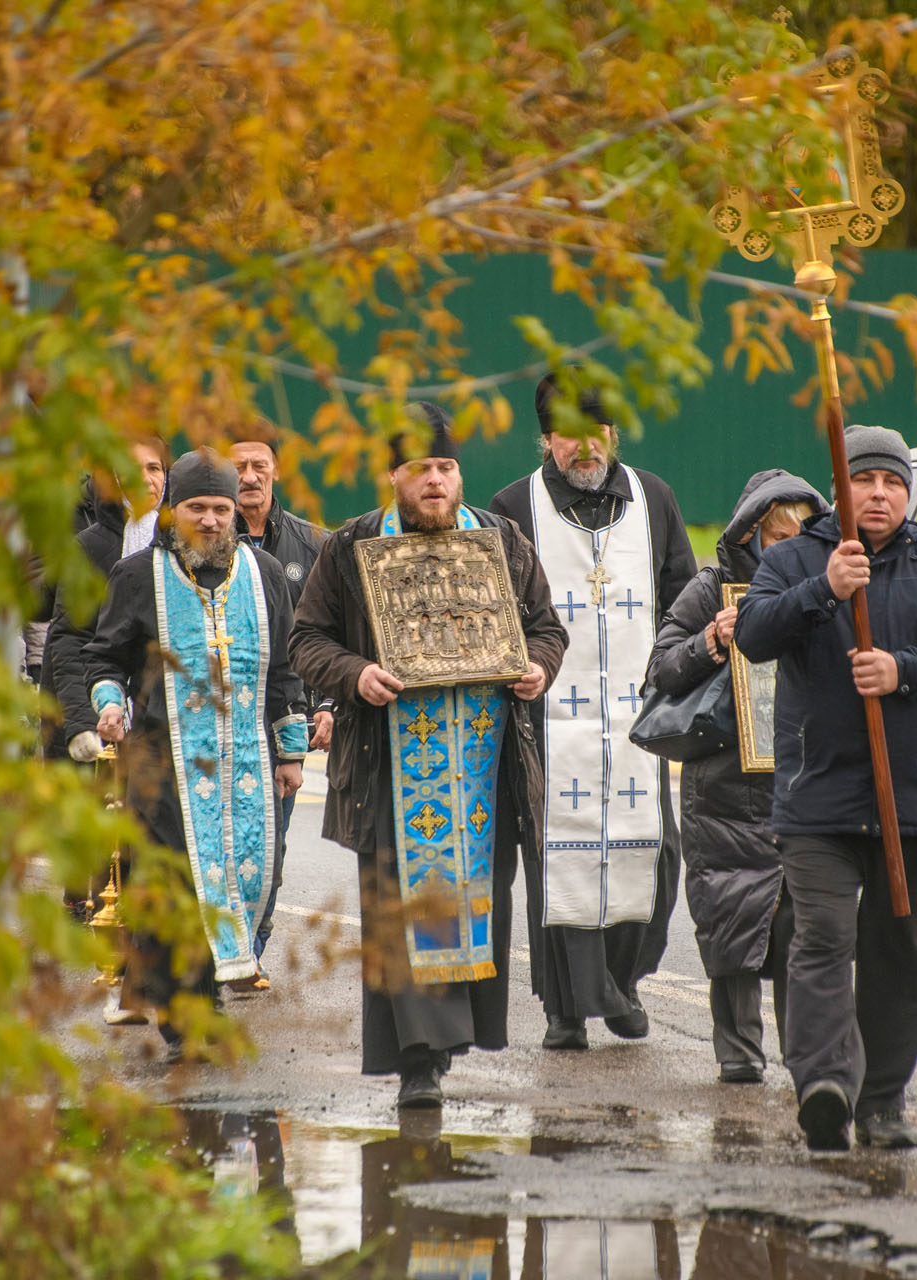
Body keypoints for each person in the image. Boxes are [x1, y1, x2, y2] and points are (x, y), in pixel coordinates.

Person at [289, 403, 568, 1108]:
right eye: (421, 470)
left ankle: (445, 1042)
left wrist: (536, 666)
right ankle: (418, 1059)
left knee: (474, 902)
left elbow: (546, 628)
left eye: (446, 468)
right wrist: (355, 675)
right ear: (394, 477)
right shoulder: (352, 546)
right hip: (388, 764)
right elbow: (307, 640)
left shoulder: (499, 541)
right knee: (398, 909)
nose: (436, 482)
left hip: (484, 766)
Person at [733, 425, 917, 1152]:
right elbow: (753, 634)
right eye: (865, 481)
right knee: (821, 937)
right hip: (818, 798)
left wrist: (903, 669)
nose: (879, 494)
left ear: (907, 490)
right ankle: (823, 1084)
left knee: (902, 953)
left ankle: (883, 1100)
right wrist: (825, 590)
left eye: (892, 482)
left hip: (907, 800)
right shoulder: (795, 558)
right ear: (841, 487)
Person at [488, 374, 697, 1051]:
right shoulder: (512, 506)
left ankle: (624, 982)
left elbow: (680, 598)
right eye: (568, 433)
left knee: (652, 855)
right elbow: (496, 613)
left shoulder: (653, 497)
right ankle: (566, 1010)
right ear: (545, 439)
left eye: (596, 431)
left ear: (614, 433)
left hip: (639, 718)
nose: (584, 446)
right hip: (546, 721)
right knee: (562, 862)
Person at [82, 449, 308, 1063]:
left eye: (220, 509)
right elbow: (105, 658)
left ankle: (205, 997)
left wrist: (291, 753)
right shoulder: (137, 576)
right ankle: (187, 1015)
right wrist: (108, 702)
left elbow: (284, 671)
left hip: (246, 763)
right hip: (161, 762)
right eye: (196, 509)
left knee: (235, 879)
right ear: (172, 512)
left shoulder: (261, 573)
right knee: (172, 887)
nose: (209, 521)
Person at [645, 470, 825, 1084]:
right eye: (775, 538)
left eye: (799, 535)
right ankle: (740, 1056)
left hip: (802, 783)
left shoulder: (823, 587)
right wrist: (710, 640)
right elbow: (661, 671)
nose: (788, 547)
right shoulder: (712, 588)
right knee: (729, 922)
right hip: (723, 789)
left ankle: (807, 1057)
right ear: (749, 534)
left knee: (804, 927)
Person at [227, 425, 333, 978]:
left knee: (269, 842)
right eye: (238, 467)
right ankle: (216, 954)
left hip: (283, 724)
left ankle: (254, 949)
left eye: (258, 466)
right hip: (216, 723)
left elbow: (334, 633)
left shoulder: (313, 545)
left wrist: (328, 707)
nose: (249, 477)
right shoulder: (194, 544)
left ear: (275, 472)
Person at [43, 435, 170, 763]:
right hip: (88, 723)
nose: (144, 479)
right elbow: (70, 639)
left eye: (154, 468)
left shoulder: (179, 547)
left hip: (154, 729)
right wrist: (83, 721)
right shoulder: (89, 546)